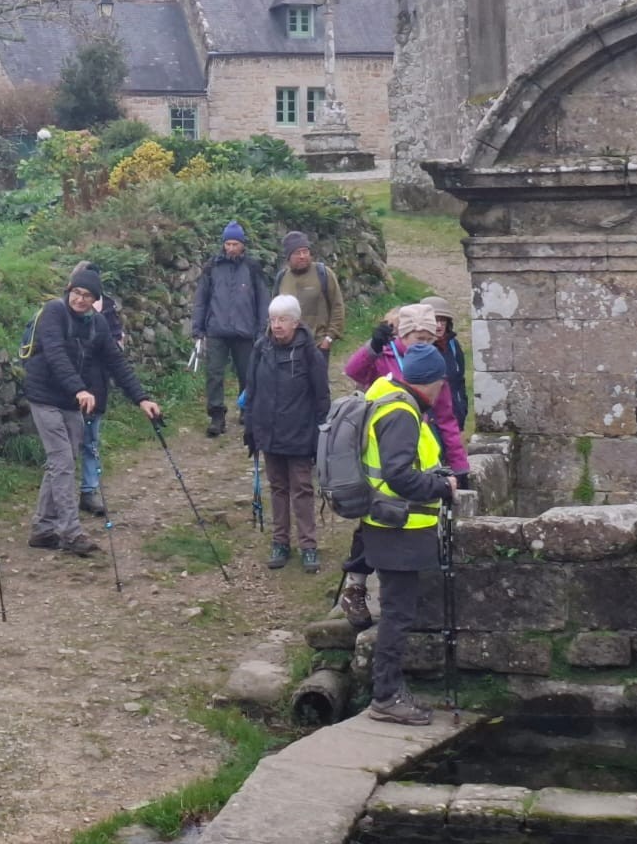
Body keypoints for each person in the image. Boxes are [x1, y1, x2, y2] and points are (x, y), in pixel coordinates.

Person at [338, 303, 471, 628]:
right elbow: (353, 371)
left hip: (419, 448)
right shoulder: (385, 355)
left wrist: (460, 465)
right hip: (380, 448)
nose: (422, 342)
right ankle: (355, 586)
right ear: (402, 333)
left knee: (410, 517)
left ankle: (401, 591)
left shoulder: (432, 366)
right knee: (373, 520)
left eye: (429, 336)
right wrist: (371, 347)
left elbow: (447, 418)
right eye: (417, 336)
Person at [24, 263, 161, 557]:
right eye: (76, 292)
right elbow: (55, 354)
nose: (80, 299)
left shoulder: (97, 324)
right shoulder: (54, 313)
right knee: (62, 461)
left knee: (63, 460)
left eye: (87, 295)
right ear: (68, 291)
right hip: (44, 396)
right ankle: (71, 533)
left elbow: (117, 362)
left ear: (95, 299)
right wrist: (80, 389)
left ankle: (42, 528)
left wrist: (142, 398)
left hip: (72, 400)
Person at [363, 343, 457, 726]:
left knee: (396, 612)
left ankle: (388, 691)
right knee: (397, 615)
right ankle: (385, 696)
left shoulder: (388, 399)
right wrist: (440, 487)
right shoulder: (402, 412)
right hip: (397, 527)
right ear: (432, 383)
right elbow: (398, 474)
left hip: (388, 524)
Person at [243, 295, 330, 573]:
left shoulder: (309, 353)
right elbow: (252, 390)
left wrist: (320, 434)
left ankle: (308, 545)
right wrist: (251, 428)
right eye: (273, 319)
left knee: (302, 489)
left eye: (283, 320)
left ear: (296, 321)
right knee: (278, 488)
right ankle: (280, 541)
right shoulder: (261, 348)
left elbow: (321, 396)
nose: (277, 325)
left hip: (300, 433)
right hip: (269, 432)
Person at [191, 220, 270, 436]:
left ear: (243, 245)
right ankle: (217, 416)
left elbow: (263, 300)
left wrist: (262, 329)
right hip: (216, 330)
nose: (231, 248)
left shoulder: (252, 268)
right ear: (223, 244)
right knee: (214, 374)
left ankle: (246, 408)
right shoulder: (212, 268)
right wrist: (197, 327)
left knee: (248, 373)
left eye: (235, 244)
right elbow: (202, 299)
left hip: (245, 331)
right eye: (228, 244)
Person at [78, 287, 124, 517]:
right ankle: (60, 500)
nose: (83, 299)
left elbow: (117, 351)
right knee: (62, 451)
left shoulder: (106, 313)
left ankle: (89, 490)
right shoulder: (59, 314)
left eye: (88, 294)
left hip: (96, 388)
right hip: (64, 395)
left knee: (90, 441)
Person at [273, 231, 345, 354]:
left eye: (305, 252)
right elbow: (274, 312)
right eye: (297, 253)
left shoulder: (323, 273)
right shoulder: (282, 278)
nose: (302, 256)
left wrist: (329, 338)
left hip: (317, 345)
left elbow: (337, 306)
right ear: (288, 257)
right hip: (288, 347)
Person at [420, 295, 469, 431]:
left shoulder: (453, 345)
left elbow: (459, 380)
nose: (439, 325)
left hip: (454, 419)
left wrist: (462, 409)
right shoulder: (417, 350)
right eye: (435, 320)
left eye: (443, 320)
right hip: (429, 423)